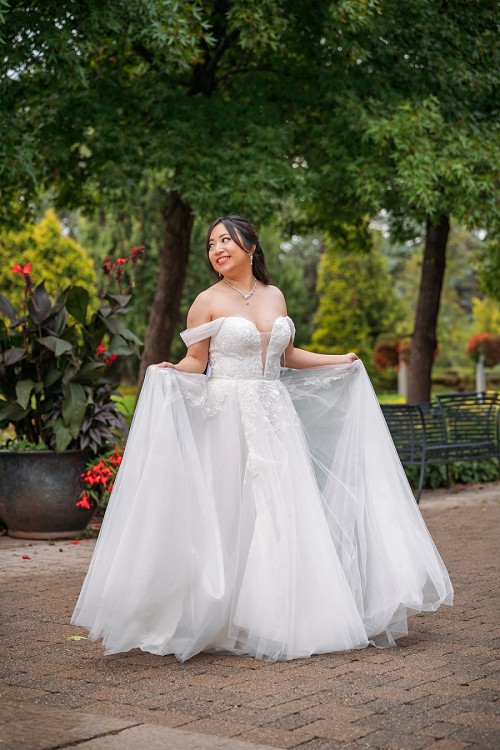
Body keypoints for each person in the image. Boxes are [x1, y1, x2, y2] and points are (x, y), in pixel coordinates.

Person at [72, 215, 453, 662]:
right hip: (227, 416)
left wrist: (339, 360)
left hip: (274, 416)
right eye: (212, 243)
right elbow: (197, 360)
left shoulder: (275, 295)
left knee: (281, 511)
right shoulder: (206, 301)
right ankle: (223, 615)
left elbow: (286, 354)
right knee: (232, 511)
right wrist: (172, 371)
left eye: (227, 240)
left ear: (251, 246)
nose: (218, 249)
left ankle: (276, 616)